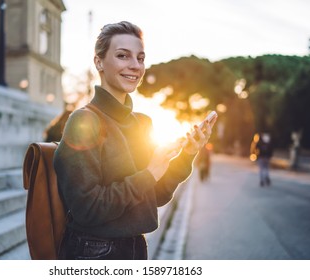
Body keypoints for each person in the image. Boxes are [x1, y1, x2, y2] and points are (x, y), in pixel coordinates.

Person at [53, 21, 217, 260]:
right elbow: (86, 209)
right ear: (99, 62)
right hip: (93, 251)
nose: (135, 66)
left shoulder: (143, 123)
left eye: (140, 58)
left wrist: (188, 154)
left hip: (136, 249)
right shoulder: (84, 121)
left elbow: (156, 196)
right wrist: (149, 173)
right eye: (122, 56)